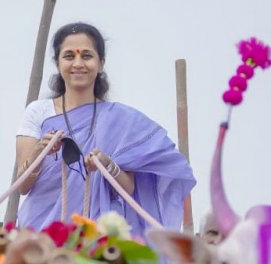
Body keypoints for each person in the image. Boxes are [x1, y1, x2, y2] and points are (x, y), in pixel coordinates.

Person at [15, 22, 195, 234]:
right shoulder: (38, 112)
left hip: (97, 235)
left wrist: (107, 165)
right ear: (58, 63)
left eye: (87, 56)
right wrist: (40, 152)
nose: (78, 63)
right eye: (69, 56)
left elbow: (128, 188)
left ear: (101, 63)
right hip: (42, 233)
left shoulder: (121, 122)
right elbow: (22, 186)